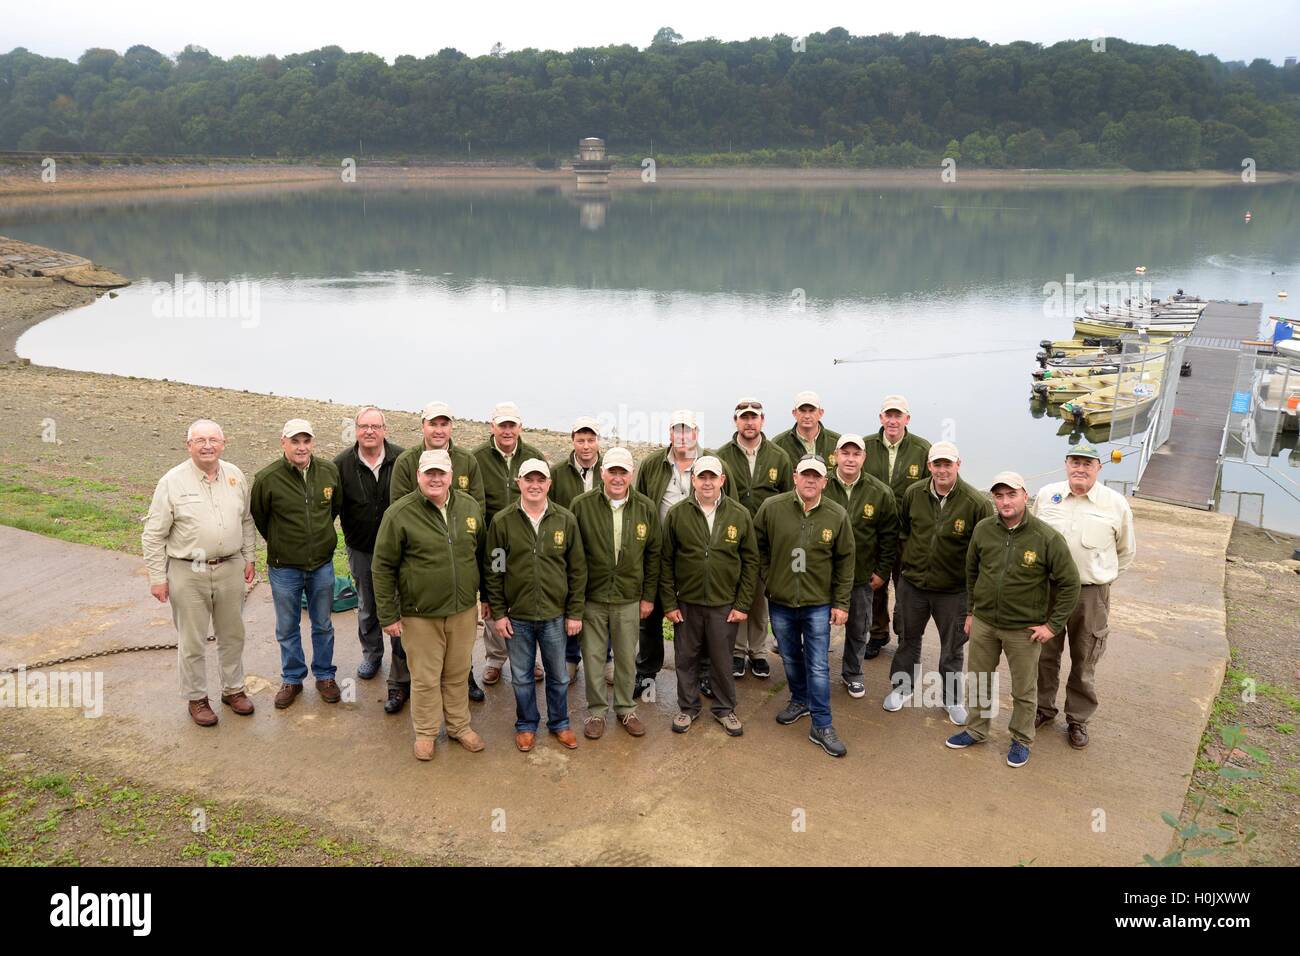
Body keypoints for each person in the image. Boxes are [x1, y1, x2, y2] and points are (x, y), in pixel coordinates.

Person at [947, 472, 1081, 768]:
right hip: (984, 621)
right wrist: (971, 611)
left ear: (1025, 496)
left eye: (1011, 495)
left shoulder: (1046, 537)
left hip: (1024, 629)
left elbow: (1071, 584)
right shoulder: (983, 529)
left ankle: (1021, 739)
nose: (1005, 501)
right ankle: (976, 729)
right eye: (999, 495)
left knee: (1023, 689)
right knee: (979, 679)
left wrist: (1052, 625)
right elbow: (972, 572)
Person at [371, 449, 488, 761]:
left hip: (463, 610)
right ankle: (425, 732)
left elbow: (482, 554)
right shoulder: (399, 514)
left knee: (458, 671)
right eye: (429, 473)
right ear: (419, 476)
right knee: (424, 676)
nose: (435, 479)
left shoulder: (469, 507)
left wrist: (486, 597)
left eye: (441, 473)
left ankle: (459, 726)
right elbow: (382, 567)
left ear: (450, 476)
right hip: (419, 614)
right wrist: (388, 614)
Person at [142, 419, 257, 726]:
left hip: (230, 566)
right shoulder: (172, 481)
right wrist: (157, 577)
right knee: (192, 640)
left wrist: (250, 557)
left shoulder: (235, 476)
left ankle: (234, 690)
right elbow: (153, 535)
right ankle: (197, 698)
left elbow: (246, 520)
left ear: (224, 443)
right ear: (188, 445)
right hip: (187, 571)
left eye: (213, 440)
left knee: (232, 634)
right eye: (200, 440)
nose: (208, 446)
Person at [1032, 442, 1136, 749]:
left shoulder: (1115, 504)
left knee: (1085, 657)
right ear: (1066, 464)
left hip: (1089, 594)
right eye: (1075, 462)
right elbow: (1033, 537)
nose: (1080, 468)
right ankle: (1043, 708)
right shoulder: (1047, 496)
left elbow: (1125, 552)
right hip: (1047, 590)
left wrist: (1100, 579)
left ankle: (1077, 719)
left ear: (1098, 468)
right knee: (1044, 653)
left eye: (1087, 463)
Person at [754, 454, 855, 758]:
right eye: (805, 475)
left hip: (817, 603)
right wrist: (769, 576)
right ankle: (800, 699)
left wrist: (841, 602)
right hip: (782, 601)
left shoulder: (836, 515)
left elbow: (845, 561)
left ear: (825, 481)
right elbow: (757, 546)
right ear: (795, 477)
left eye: (817, 476)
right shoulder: (772, 508)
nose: (811, 480)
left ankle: (822, 724)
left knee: (818, 664)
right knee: (789, 655)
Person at [483, 459, 586, 753]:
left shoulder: (565, 520)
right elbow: (495, 570)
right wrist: (500, 614)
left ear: (549, 484)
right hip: (518, 617)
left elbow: (577, 570)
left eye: (540, 479)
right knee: (522, 677)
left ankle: (560, 723)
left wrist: (575, 612)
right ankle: (526, 725)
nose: (535, 485)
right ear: (519, 482)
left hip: (555, 615)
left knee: (559, 675)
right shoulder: (502, 522)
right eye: (529, 479)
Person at [885, 441, 991, 723]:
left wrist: (974, 598)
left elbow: (984, 550)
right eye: (937, 464)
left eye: (948, 464)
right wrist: (912, 567)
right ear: (929, 466)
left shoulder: (976, 503)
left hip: (954, 591)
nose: (942, 470)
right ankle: (902, 687)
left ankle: (952, 698)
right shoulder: (913, 493)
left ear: (959, 464)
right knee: (907, 639)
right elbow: (905, 532)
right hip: (914, 586)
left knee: (953, 647)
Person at [390, 401, 488, 702]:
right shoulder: (407, 461)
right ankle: (401, 681)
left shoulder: (467, 461)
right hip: (416, 558)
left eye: (444, 424)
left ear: (451, 427)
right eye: (433, 423)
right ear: (423, 426)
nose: (438, 429)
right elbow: (396, 508)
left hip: (457, 553)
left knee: (459, 627)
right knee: (410, 626)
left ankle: (465, 677)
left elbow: (478, 507)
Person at [660, 456, 758, 737]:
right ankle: (688, 708)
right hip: (687, 603)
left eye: (712, 477)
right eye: (701, 477)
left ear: (722, 480)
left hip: (723, 604)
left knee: (722, 659)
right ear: (694, 480)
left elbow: (751, 562)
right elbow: (665, 561)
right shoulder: (678, 514)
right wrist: (669, 602)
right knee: (685, 658)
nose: (707, 482)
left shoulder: (739, 515)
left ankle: (725, 709)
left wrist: (742, 604)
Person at [250, 419, 342, 710]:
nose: (301, 447)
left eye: (306, 441)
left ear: (313, 443)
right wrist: (283, 543)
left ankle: (325, 675)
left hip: (321, 564)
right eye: (295, 441)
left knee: (323, 623)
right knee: (287, 626)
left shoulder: (329, 471)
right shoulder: (267, 478)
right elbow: (261, 518)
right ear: (283, 443)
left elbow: (333, 510)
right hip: (284, 567)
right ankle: (292, 678)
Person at [570, 447, 660, 740]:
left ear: (631, 474)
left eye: (623, 472)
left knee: (624, 656)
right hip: (592, 597)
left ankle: (625, 708)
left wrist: (648, 596)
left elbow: (653, 554)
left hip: (628, 597)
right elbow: (573, 555)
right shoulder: (581, 505)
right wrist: (575, 600)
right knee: (594, 657)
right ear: (602, 473)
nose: (618, 478)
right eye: (613, 471)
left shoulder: (645, 507)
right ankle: (596, 712)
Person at [333, 407, 408, 714]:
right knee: (368, 604)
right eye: (364, 426)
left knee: (399, 607)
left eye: (375, 426)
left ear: (384, 430)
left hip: (399, 551)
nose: (369, 432)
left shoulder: (402, 459)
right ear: (356, 430)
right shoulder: (341, 464)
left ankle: (401, 668)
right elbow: (333, 508)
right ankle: (372, 654)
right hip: (361, 547)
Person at [634, 410, 709, 697]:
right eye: (676, 431)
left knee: (697, 615)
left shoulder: (709, 463)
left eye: (687, 430)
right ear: (670, 434)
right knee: (649, 615)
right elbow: (639, 502)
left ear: (695, 434)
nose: (681, 436)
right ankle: (646, 671)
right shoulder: (653, 464)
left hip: (695, 555)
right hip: (657, 552)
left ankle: (703, 672)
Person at [716, 397, 792, 680]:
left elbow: (788, 498)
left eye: (754, 417)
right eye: (744, 417)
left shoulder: (778, 456)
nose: (749, 422)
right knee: (736, 596)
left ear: (763, 420)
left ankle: (758, 652)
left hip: (766, 540)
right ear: (736, 421)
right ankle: (736, 652)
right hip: (731, 539)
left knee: (759, 597)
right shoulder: (722, 455)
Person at [473, 401, 547, 687]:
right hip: (494, 543)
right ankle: (495, 658)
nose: (507, 430)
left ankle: (530, 658)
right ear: (492, 427)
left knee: (526, 592)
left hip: (528, 540)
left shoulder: (533, 456)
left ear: (520, 427)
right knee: (494, 595)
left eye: (511, 425)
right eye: (501, 425)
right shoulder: (477, 457)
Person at [823, 434, 899, 700]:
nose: (850, 459)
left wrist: (882, 571)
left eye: (856, 454)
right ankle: (817, 674)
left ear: (864, 458)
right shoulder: (822, 484)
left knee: (858, 628)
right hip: (822, 576)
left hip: (860, 576)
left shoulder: (880, 492)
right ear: (836, 456)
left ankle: (853, 674)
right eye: (845, 453)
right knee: (819, 628)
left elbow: (890, 537)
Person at [861, 395, 931, 658]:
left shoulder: (922, 448)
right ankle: (877, 633)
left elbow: (928, 491)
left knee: (906, 588)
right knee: (875, 586)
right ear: (881, 418)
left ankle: (905, 634)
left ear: (907, 419)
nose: (892, 420)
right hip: (873, 532)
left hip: (908, 535)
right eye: (888, 415)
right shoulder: (866, 446)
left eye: (897, 415)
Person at [549, 416, 605, 681]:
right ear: (572, 441)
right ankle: (571, 657)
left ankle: (606, 657)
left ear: (597, 442)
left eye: (590, 440)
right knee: (570, 601)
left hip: (602, 550)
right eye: (580, 440)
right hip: (568, 549)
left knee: (602, 603)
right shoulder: (558, 473)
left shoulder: (610, 470)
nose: (586, 446)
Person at [772, 390, 841, 472]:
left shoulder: (837, 442)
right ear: (794, 413)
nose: (807, 416)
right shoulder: (778, 444)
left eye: (812, 411)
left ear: (821, 413)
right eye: (802, 410)